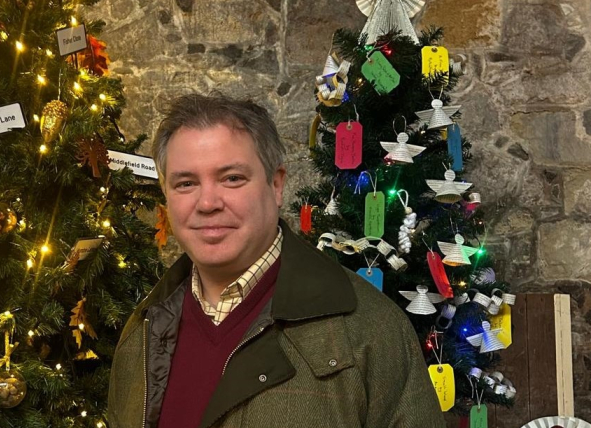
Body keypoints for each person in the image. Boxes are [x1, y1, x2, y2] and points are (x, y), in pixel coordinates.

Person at [107, 93, 445, 428]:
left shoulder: (371, 330)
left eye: (232, 178)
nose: (207, 202)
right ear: (166, 196)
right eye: (186, 183)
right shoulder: (144, 331)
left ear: (276, 185)